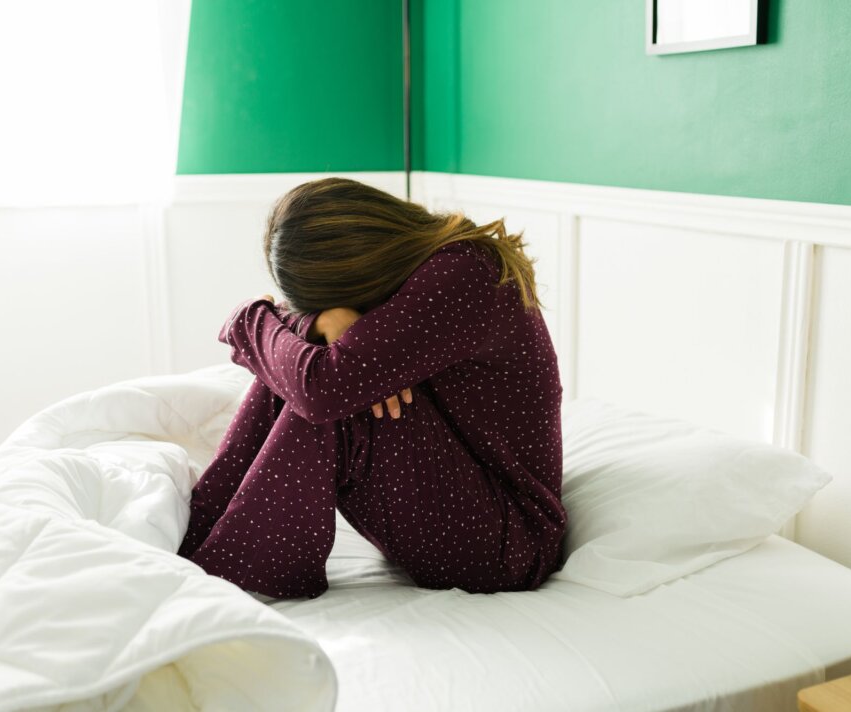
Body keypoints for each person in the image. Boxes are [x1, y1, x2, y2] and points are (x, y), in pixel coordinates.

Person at [177, 177, 567, 599]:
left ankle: (232, 572)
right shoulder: (430, 263)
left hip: (508, 546)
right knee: (301, 365)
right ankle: (203, 534)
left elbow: (322, 390)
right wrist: (320, 321)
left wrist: (248, 317)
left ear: (358, 266)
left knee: (331, 390)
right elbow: (308, 365)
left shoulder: (465, 273)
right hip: (469, 510)